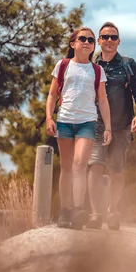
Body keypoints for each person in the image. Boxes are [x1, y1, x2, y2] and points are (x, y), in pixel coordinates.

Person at [45, 27, 112, 229]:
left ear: (94, 46)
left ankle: (77, 210)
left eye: (91, 40)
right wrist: (49, 118)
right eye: (82, 39)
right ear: (72, 43)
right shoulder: (63, 65)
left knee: (79, 164)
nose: (87, 43)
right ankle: (64, 213)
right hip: (65, 121)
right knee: (66, 168)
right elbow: (51, 95)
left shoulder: (97, 70)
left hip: (87, 122)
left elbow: (102, 99)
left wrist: (108, 127)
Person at [86, 21, 136, 230]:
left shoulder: (129, 64)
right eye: (105, 37)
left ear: (118, 41)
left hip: (122, 127)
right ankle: (95, 214)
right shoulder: (91, 64)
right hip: (96, 126)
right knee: (95, 167)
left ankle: (113, 211)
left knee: (117, 170)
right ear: (99, 41)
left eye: (113, 37)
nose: (109, 41)